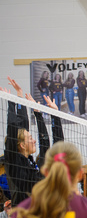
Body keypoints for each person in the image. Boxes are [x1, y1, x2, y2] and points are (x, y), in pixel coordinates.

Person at [3, 77, 64, 206]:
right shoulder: (13, 160)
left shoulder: (33, 163)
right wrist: (12, 102)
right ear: (22, 145)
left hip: (40, 217)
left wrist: (50, 114)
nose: (34, 140)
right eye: (30, 138)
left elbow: (48, 143)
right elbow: (13, 128)